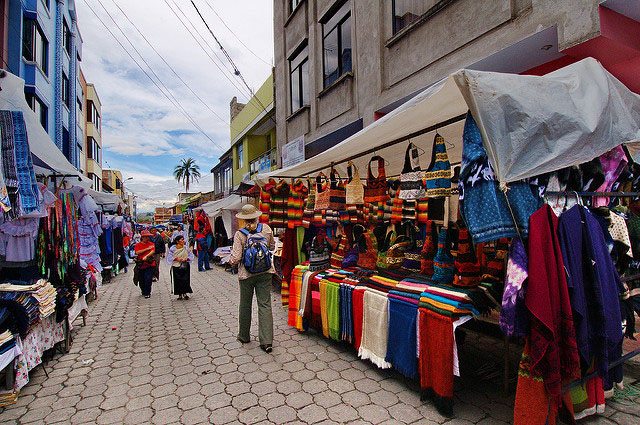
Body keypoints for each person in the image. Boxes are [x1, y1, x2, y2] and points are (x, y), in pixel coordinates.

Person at [228, 204, 275, 353]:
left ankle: (244, 336)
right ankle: (267, 341)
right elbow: (272, 247)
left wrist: (229, 261)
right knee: (265, 304)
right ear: (257, 216)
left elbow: (236, 258)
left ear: (243, 219)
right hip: (266, 272)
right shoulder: (266, 229)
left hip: (246, 274)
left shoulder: (240, 234)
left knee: (245, 304)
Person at [166, 235, 194, 300]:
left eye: (183, 239)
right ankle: (179, 294)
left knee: (186, 279)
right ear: (177, 241)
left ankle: (185, 293)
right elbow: (169, 257)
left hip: (185, 265)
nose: (183, 241)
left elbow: (190, 255)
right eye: (181, 239)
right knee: (177, 280)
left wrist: (187, 259)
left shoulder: (185, 248)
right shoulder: (173, 249)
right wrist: (176, 259)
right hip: (176, 266)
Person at [134, 230, 156, 298]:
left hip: (150, 264)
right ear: (142, 237)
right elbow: (137, 252)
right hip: (140, 264)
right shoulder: (138, 245)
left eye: (148, 237)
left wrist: (146, 256)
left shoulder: (151, 244)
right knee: (141, 279)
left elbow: (153, 251)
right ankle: (143, 290)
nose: (147, 238)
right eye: (146, 237)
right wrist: (146, 249)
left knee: (148, 278)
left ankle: (147, 292)